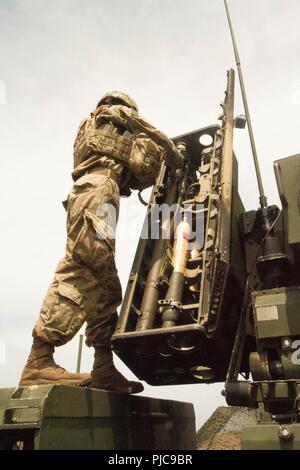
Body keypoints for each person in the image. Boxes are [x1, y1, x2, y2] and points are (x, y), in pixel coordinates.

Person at [19, 91, 182, 394]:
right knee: (84, 267)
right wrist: (172, 154)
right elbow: (145, 164)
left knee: (107, 285)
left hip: (98, 194)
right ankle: (39, 359)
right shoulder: (117, 117)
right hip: (97, 192)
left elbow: (132, 174)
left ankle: (103, 368)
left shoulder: (98, 127)